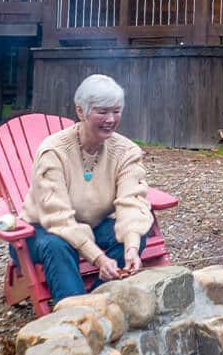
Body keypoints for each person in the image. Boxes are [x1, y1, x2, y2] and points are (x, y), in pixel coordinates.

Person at [20, 74, 152, 302]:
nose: (111, 119)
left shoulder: (127, 151)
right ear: (80, 112)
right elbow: (58, 218)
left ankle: (98, 299)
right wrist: (98, 258)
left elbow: (132, 202)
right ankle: (75, 312)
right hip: (42, 231)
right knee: (57, 245)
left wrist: (131, 247)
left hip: (92, 227)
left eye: (116, 111)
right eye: (102, 112)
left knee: (135, 231)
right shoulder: (54, 152)